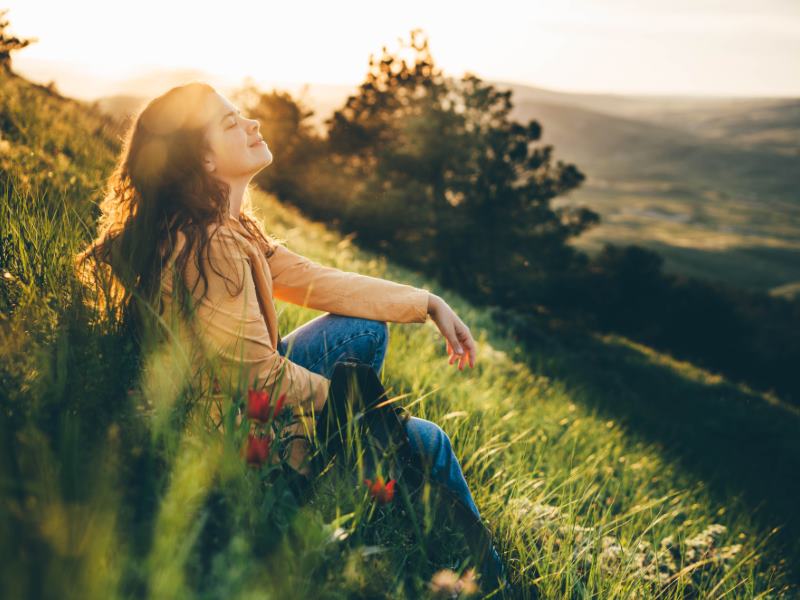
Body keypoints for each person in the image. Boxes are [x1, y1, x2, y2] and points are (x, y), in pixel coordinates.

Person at [75, 81, 510, 591]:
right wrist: (369, 417)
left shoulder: (230, 227)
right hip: (239, 444)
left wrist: (427, 304)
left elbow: (317, 281)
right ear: (206, 163)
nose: (252, 124)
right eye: (230, 124)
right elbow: (257, 377)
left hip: (233, 404)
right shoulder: (211, 244)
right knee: (428, 441)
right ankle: (496, 583)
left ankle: (357, 463)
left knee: (362, 328)